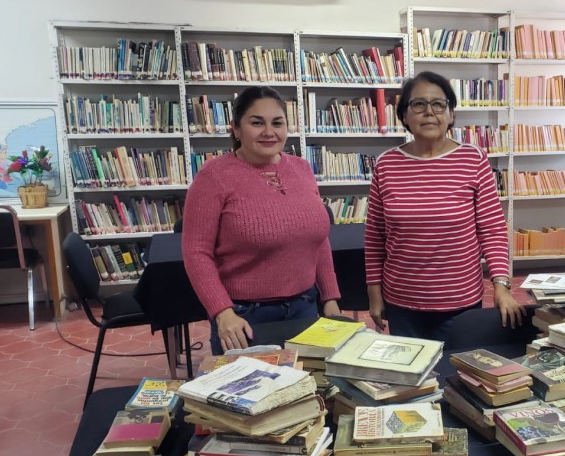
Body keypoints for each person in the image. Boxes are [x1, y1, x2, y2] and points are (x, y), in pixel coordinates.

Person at [364, 71, 522, 342]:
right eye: (418, 105)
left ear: (451, 115)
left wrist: (502, 285)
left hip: (460, 300)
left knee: (460, 374)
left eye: (439, 104)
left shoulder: (473, 159)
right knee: (413, 380)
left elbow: (493, 230)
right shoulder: (386, 164)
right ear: (404, 115)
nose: (429, 112)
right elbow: (375, 237)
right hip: (402, 302)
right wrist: (374, 295)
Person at [183, 86, 341, 355]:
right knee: (251, 394)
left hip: (305, 308)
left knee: (307, 390)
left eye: (277, 123)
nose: (269, 132)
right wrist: (222, 313)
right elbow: (196, 253)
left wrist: (330, 298)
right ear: (236, 128)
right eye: (257, 123)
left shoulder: (302, 169)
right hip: (244, 318)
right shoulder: (213, 177)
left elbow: (318, 240)